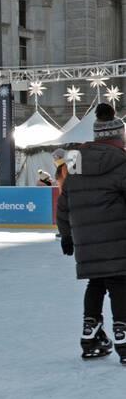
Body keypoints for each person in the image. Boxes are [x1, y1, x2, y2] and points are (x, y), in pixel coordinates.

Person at [57, 102, 126, 362]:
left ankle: (91, 335)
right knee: (119, 282)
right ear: (119, 135)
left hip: (86, 241)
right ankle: (123, 335)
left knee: (96, 281)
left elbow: (64, 203)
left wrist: (66, 236)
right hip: (117, 239)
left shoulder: (76, 164)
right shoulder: (123, 162)